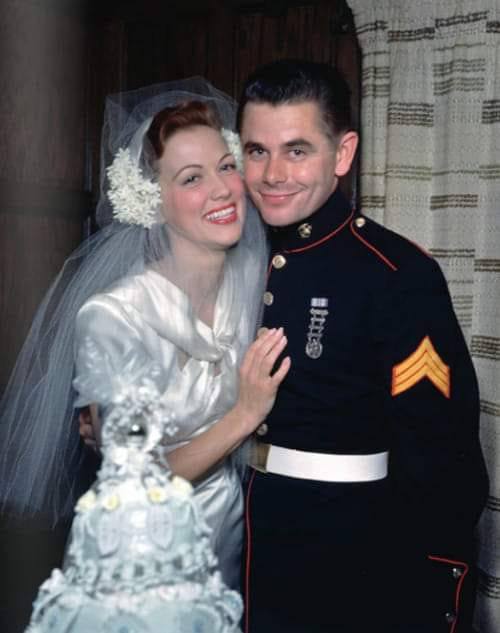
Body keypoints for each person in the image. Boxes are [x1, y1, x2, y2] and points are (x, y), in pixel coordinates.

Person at [0, 80, 290, 593]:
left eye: (226, 167)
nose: (222, 189)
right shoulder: (114, 317)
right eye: (191, 178)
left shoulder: (256, 285)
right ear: (153, 202)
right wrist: (245, 415)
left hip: (229, 548)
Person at [237, 59, 489, 632]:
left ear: (343, 154)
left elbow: (440, 453)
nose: (273, 173)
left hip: (351, 566)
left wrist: (429, 588)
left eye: (297, 150)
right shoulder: (229, 260)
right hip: (239, 545)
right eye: (256, 150)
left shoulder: (397, 274)